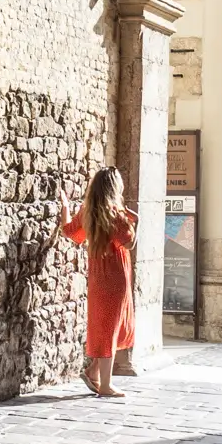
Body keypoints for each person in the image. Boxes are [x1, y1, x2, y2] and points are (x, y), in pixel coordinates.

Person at [53, 166, 138, 398]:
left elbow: (70, 232)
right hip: (117, 275)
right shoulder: (116, 215)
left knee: (103, 324)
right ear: (114, 188)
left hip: (98, 277)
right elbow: (129, 243)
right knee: (112, 326)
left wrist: (64, 207)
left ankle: (93, 371)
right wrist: (135, 222)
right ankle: (106, 385)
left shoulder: (87, 212)